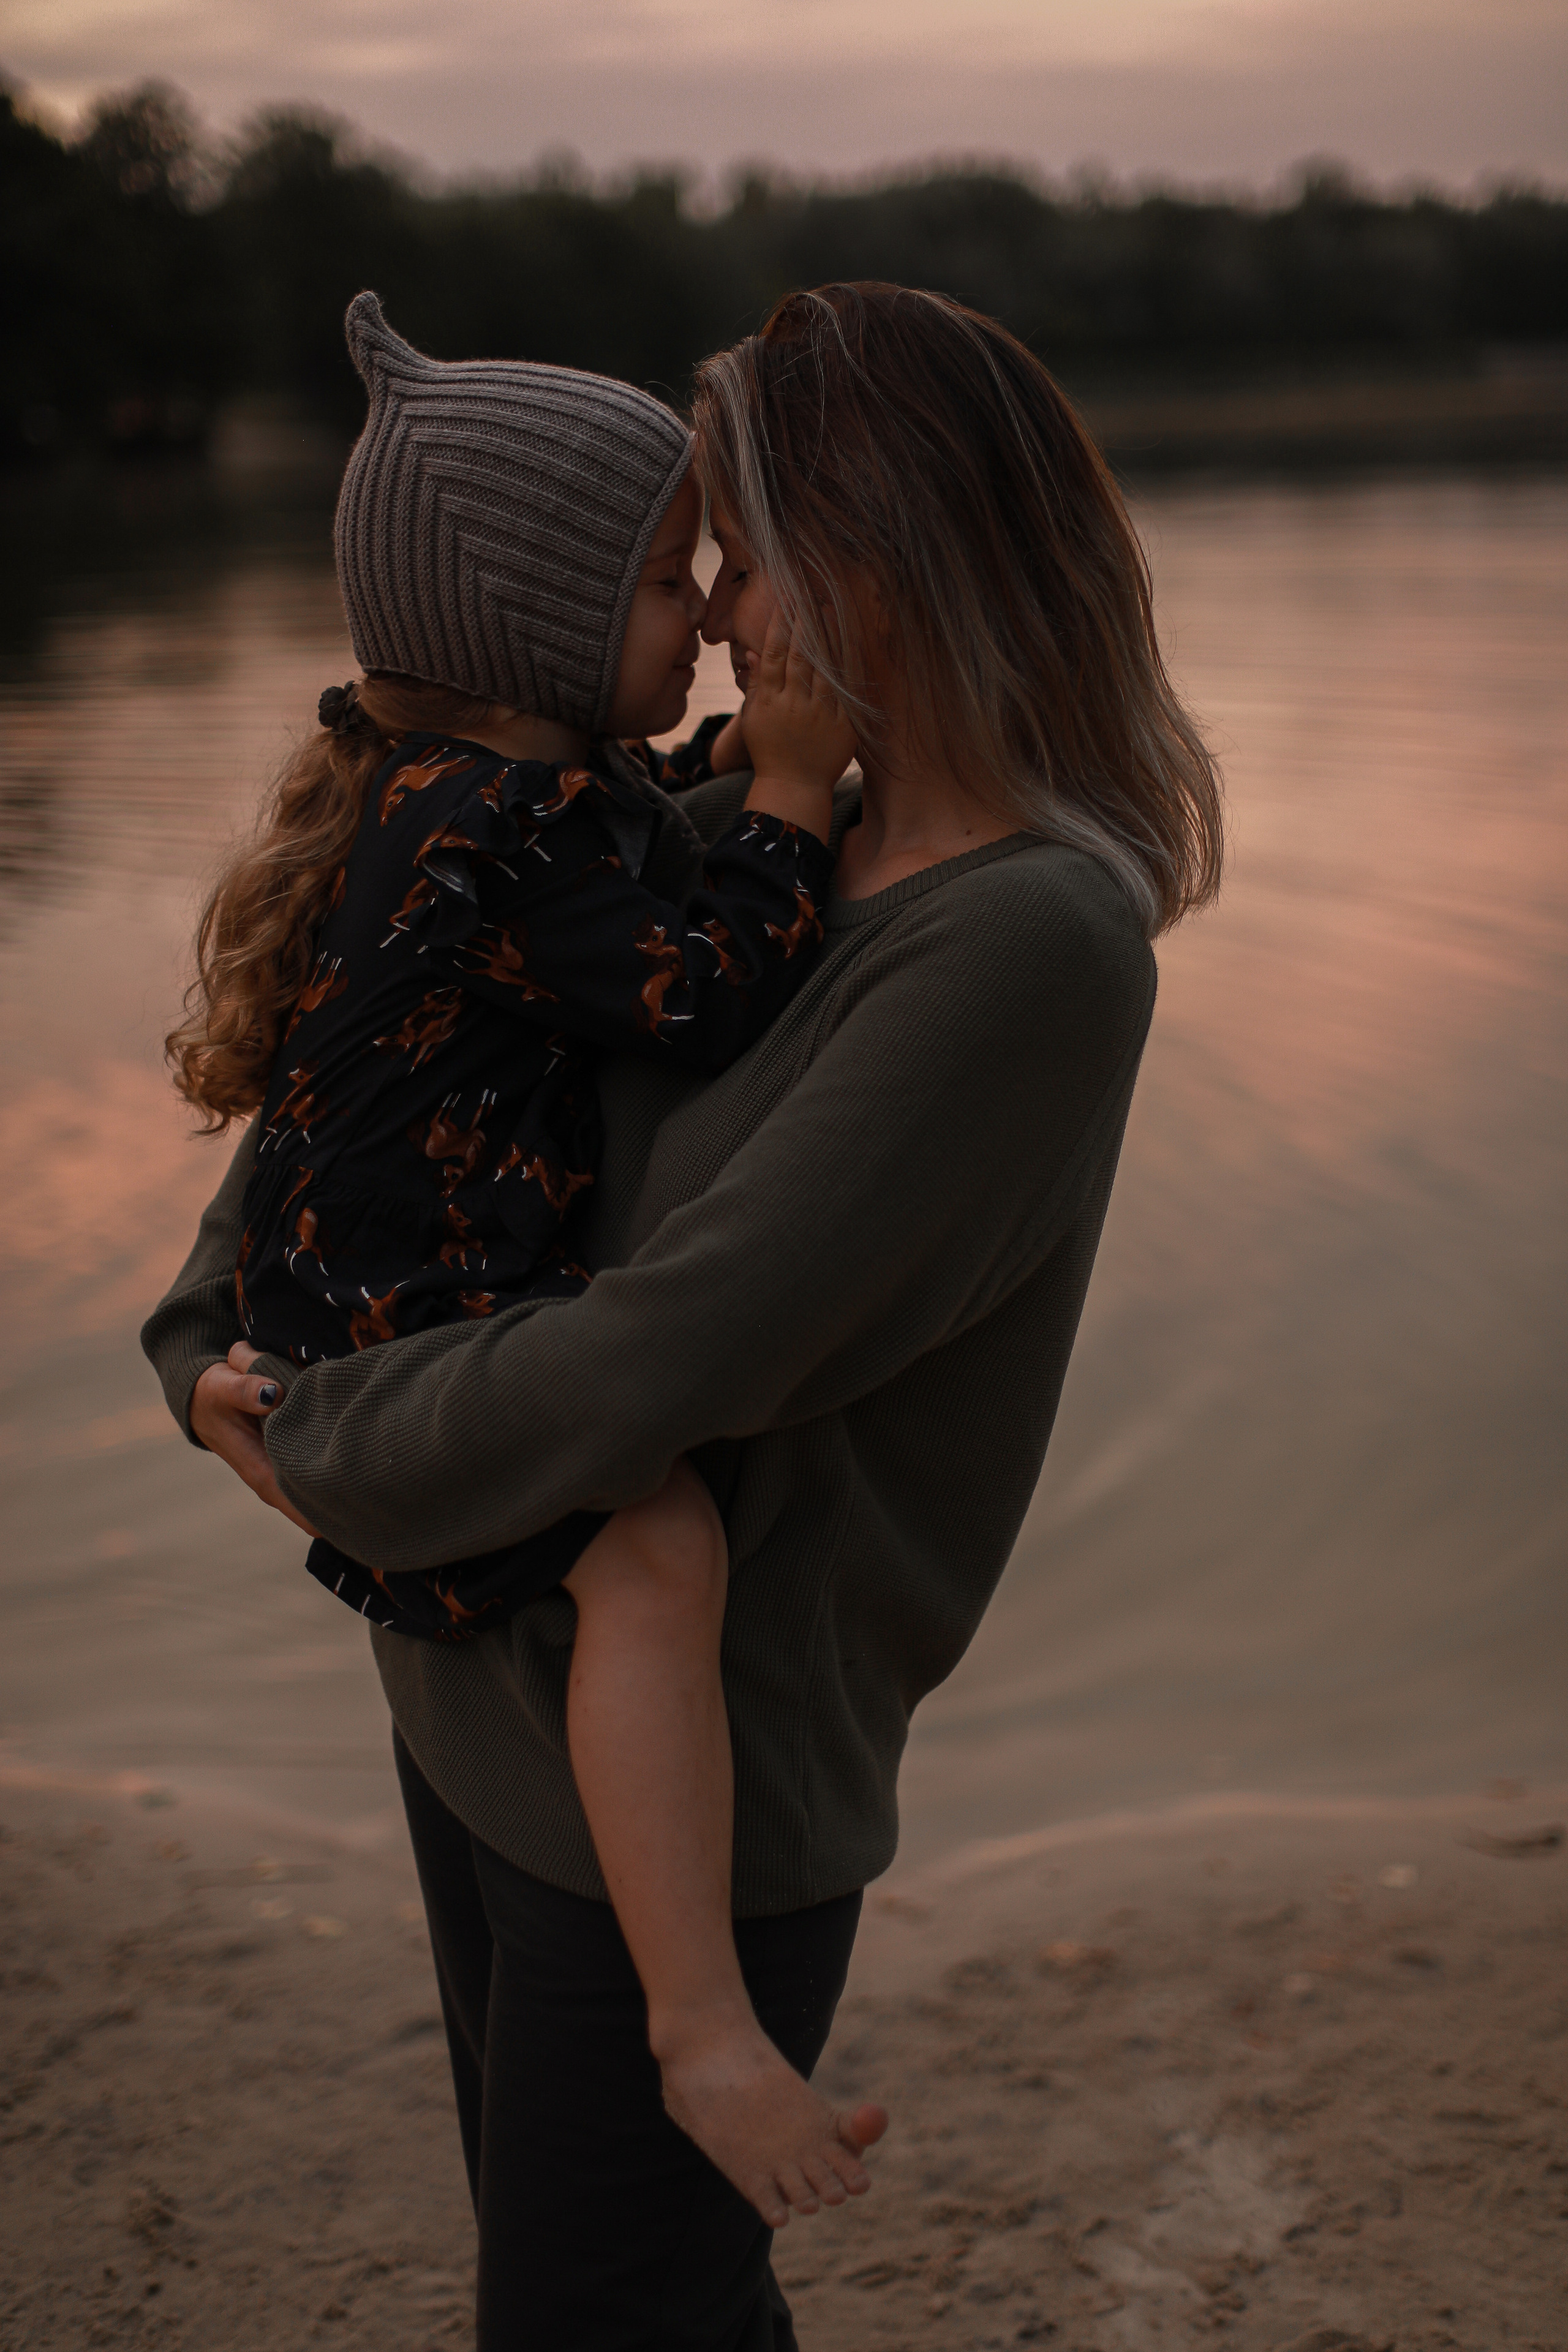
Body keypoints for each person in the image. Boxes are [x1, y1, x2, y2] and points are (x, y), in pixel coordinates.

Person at [143, 281, 1224, 2350]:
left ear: (882, 559)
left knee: (601, 2318)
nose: (717, 612)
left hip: (682, 1783)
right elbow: (369, 1094)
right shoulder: (729, 825)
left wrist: (313, 1451)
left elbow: (669, 1356)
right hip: (470, 1677)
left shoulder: (1026, 939)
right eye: (693, 559)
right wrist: (205, 1344)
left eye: (739, 551)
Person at [158, 290, 887, 2232]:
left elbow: (637, 851)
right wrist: (802, 798)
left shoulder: (458, 798)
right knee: (661, 1552)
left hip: (328, 1294)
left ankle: (685, 2013)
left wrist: (730, 784)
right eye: (669, 585)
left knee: (641, 1557)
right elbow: (702, 988)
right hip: (405, 1315)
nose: (708, 611)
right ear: (532, 630)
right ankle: (701, 2022)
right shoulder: (508, 830)